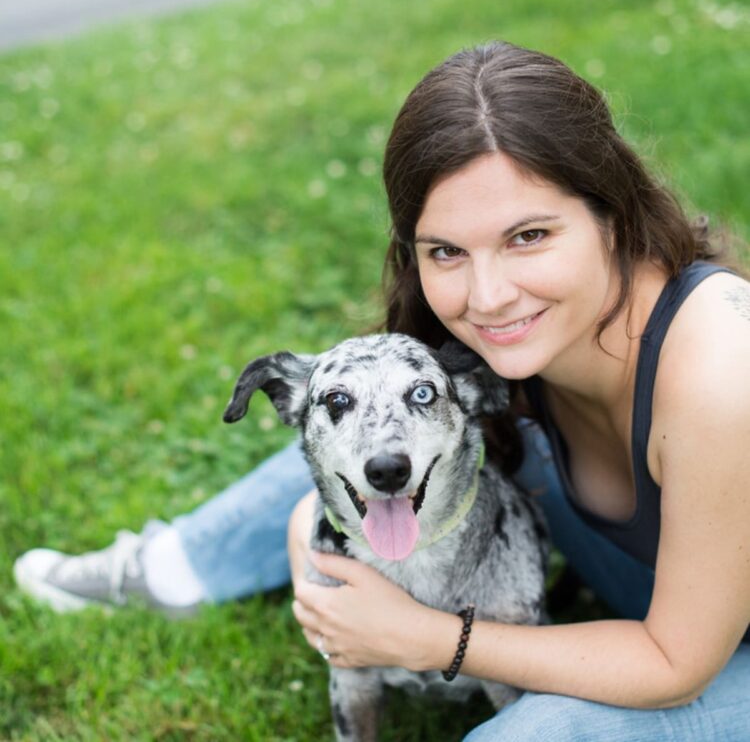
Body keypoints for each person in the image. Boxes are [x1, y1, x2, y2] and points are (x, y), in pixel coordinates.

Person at [14, 41, 750, 739]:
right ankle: (179, 567)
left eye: (528, 236)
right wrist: (317, 533)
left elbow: (674, 663)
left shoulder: (721, 375)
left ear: (612, 218)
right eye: (446, 251)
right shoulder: (527, 337)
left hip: (705, 650)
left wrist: (434, 639)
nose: (488, 296)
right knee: (377, 414)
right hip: (652, 584)